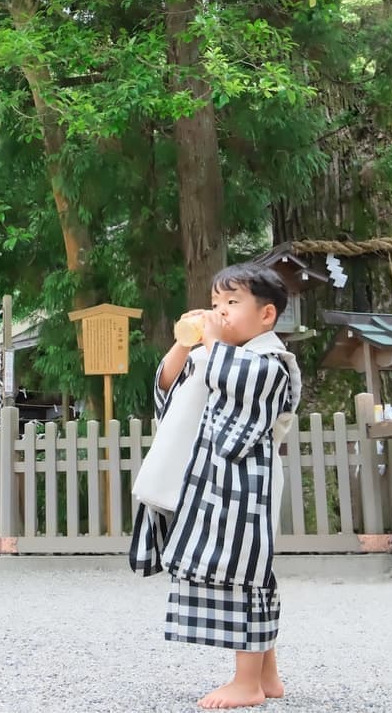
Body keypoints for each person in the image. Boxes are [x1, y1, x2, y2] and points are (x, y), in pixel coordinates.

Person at [130, 262, 301, 709]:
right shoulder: (218, 352)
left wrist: (213, 344)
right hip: (214, 481)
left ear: (266, 315)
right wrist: (184, 344)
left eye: (231, 303)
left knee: (243, 572)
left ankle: (245, 683)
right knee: (251, 575)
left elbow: (241, 391)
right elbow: (170, 390)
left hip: (247, 482)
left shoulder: (270, 361)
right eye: (214, 304)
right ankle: (267, 676)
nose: (219, 312)